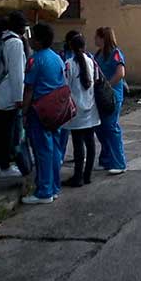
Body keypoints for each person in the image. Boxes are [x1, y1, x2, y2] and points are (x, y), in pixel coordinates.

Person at [21, 23, 66, 204]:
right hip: (56, 108)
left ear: (38, 41)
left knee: (42, 151)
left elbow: (29, 89)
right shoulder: (56, 58)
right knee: (54, 149)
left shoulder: (35, 60)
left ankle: (44, 191)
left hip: (39, 109)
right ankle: (53, 187)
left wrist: (24, 112)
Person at [0, 11, 27, 178]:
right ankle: (5, 166)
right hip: (7, 95)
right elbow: (17, 74)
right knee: (8, 134)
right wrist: (20, 98)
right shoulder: (15, 43)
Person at [63, 35, 100, 187]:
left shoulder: (69, 64)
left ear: (71, 47)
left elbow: (64, 86)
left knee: (78, 145)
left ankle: (77, 177)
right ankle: (88, 175)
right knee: (90, 143)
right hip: (90, 107)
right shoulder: (91, 62)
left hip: (76, 108)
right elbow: (96, 81)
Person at [94, 27, 127, 174]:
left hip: (112, 95)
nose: (94, 39)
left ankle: (119, 163)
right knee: (100, 128)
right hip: (101, 95)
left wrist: (107, 86)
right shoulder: (98, 54)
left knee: (111, 127)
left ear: (102, 38)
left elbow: (120, 73)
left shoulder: (115, 53)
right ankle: (106, 158)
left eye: (96, 37)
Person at [57, 30, 80, 161]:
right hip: (76, 98)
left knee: (65, 128)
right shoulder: (66, 57)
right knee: (78, 131)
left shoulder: (63, 57)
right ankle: (77, 155)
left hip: (67, 96)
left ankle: (60, 155)